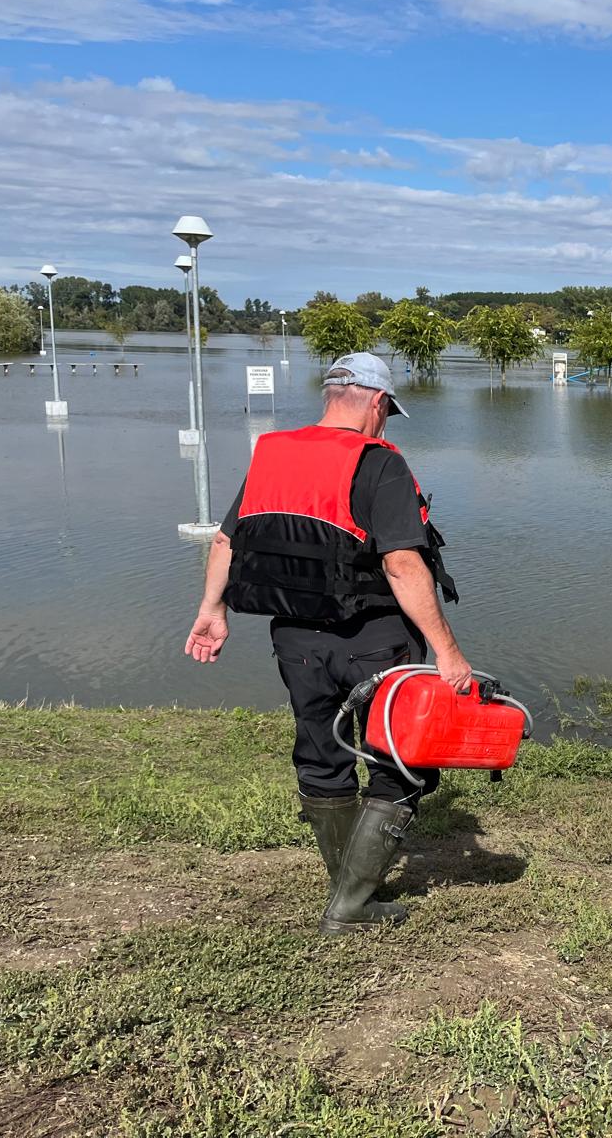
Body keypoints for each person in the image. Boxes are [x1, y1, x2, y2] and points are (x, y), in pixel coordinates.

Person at [183, 352, 472, 935]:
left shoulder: (274, 453)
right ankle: (353, 901)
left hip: (294, 638)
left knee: (321, 753)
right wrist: (448, 650)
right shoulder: (379, 463)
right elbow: (400, 561)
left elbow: (224, 541)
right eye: (387, 409)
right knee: (400, 759)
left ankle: (347, 885)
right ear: (374, 401)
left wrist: (211, 611)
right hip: (374, 638)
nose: (385, 421)